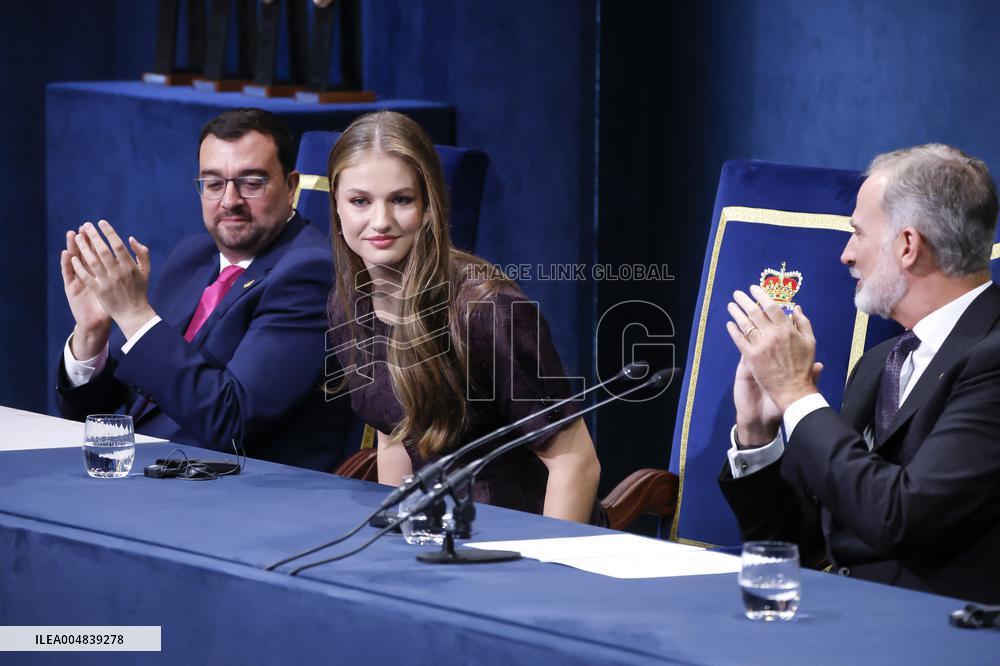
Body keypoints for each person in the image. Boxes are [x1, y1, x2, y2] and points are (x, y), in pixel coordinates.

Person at [719, 143, 1000, 603]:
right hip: (840, 619)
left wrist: (796, 393)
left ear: (908, 246)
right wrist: (757, 436)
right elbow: (802, 548)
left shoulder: (992, 358)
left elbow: (900, 517)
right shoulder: (881, 361)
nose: (846, 255)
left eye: (858, 234)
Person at [325, 110, 601, 523]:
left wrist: (546, 576)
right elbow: (393, 438)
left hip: (520, 543)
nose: (380, 221)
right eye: (360, 201)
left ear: (429, 204)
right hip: (434, 540)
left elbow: (575, 464)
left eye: (401, 200)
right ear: (337, 207)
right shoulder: (348, 302)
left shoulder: (489, 310)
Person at [56, 108, 349, 471]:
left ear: (291, 187)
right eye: (213, 183)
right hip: (153, 477)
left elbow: (230, 423)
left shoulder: (308, 273)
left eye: (251, 182)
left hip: (236, 496)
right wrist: (92, 335)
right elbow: (87, 410)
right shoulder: (191, 257)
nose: (229, 201)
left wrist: (134, 314)